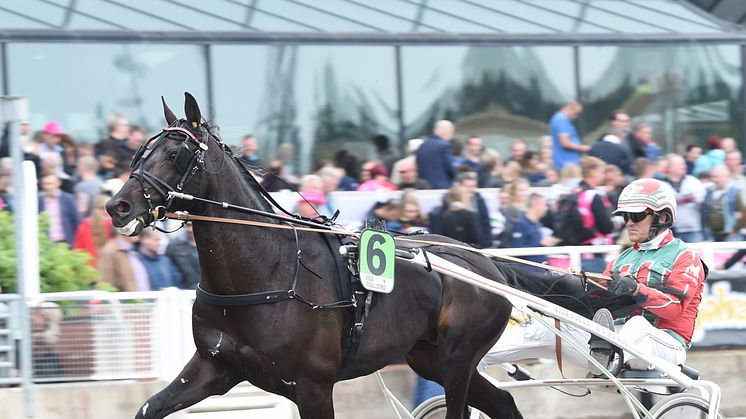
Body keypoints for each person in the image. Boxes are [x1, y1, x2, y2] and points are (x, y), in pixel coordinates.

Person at [481, 178, 707, 376]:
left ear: (663, 216)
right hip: (618, 342)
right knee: (553, 325)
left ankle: (608, 359)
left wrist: (636, 290)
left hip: (665, 344)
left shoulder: (685, 257)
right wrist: (566, 285)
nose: (629, 222)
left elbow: (675, 308)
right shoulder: (624, 257)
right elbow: (598, 299)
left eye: (636, 215)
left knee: (636, 325)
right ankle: (476, 357)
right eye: (626, 216)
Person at [663, 154, 706, 243]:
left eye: (683, 164)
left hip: (693, 229)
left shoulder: (693, 181)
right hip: (671, 231)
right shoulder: (663, 186)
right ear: (669, 167)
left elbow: (701, 199)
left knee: (695, 255)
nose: (682, 166)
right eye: (678, 164)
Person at [510, 193, 557, 268]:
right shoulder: (520, 224)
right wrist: (541, 244)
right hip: (529, 272)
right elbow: (517, 250)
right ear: (536, 205)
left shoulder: (538, 225)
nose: (546, 208)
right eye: (544, 205)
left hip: (542, 269)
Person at [38, 173, 81, 246]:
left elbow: (76, 221)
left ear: (58, 183)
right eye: (44, 184)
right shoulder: (38, 201)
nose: (47, 187)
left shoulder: (68, 199)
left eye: (50, 183)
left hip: (65, 242)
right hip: (46, 243)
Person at [549, 101, 589, 170]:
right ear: (571, 109)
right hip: (566, 165)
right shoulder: (561, 120)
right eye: (577, 113)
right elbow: (565, 143)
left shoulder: (561, 119)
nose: (577, 117)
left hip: (568, 164)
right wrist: (585, 148)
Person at [416, 120, 455, 189]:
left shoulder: (422, 146)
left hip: (424, 187)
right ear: (445, 131)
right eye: (451, 132)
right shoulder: (445, 146)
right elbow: (450, 168)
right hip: (442, 187)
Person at [166, 222, 201, 290]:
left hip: (205, 291)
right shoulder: (174, 245)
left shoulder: (208, 243)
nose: (190, 229)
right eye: (188, 226)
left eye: (192, 225)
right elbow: (170, 269)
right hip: (184, 291)